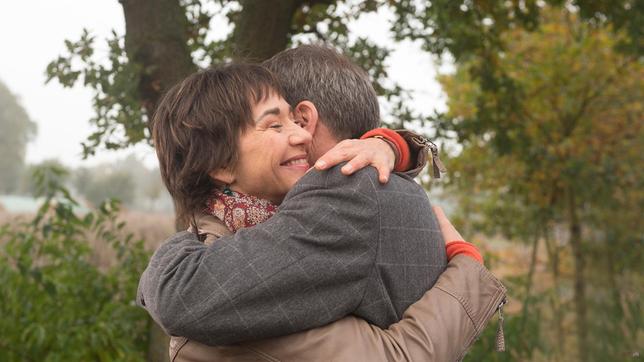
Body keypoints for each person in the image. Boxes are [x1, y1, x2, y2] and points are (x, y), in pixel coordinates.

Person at [139, 51, 505, 360]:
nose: (300, 135)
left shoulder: (345, 193)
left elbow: (180, 297)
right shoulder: (240, 236)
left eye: (294, 122)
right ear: (219, 165)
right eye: (276, 125)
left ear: (307, 116)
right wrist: (396, 144)